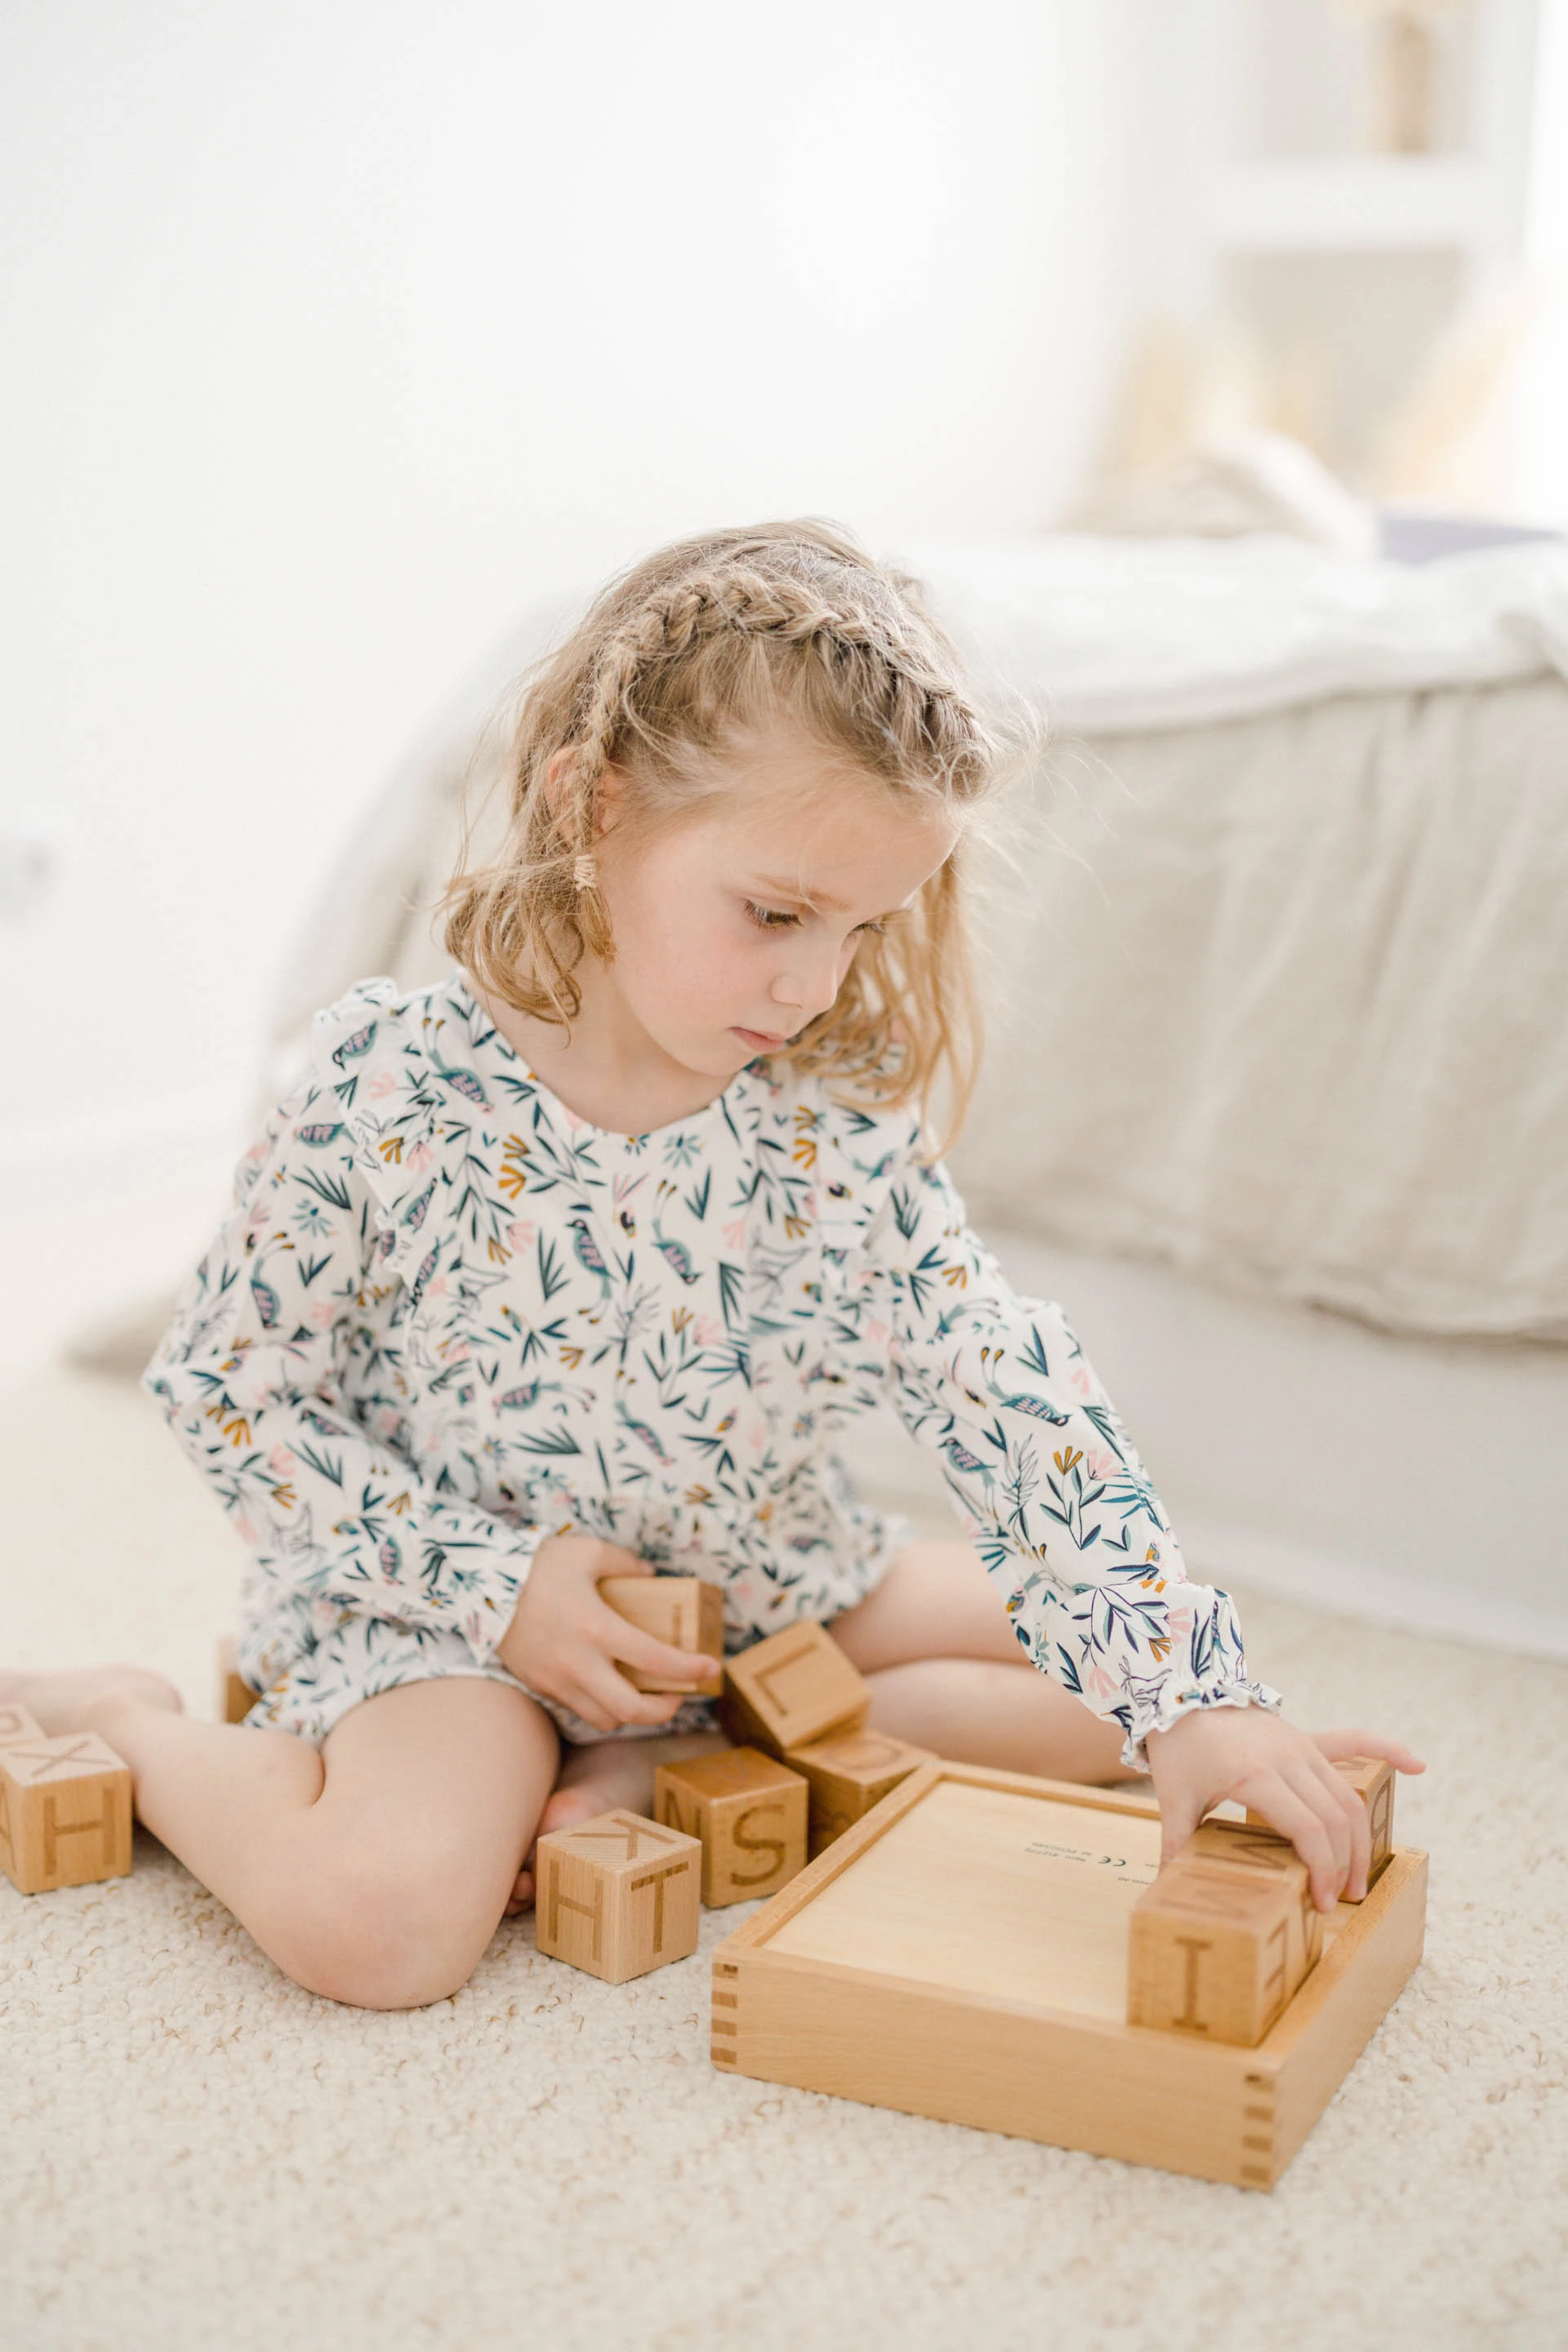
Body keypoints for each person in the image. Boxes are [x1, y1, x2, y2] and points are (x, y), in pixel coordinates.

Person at [5, 520, 1421, 2007]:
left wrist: (1196, 1701)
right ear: (592, 807)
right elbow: (225, 1388)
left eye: (864, 928)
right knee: (387, 1928)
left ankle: (669, 1743)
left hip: (761, 1580)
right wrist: (497, 1586)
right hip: (454, 1616)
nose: (816, 985)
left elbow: (1001, 1387)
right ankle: (132, 1727)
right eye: (775, 915)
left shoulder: (828, 1128)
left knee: (1116, 1664)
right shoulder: (387, 1084)